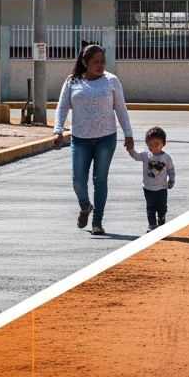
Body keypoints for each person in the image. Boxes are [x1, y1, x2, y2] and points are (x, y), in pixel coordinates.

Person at [52, 44, 133, 235]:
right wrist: (58, 131)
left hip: (106, 139)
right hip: (80, 139)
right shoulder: (72, 81)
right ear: (85, 62)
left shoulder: (111, 81)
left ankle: (97, 222)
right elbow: (62, 107)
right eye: (96, 62)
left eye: (103, 61)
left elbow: (121, 108)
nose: (100, 65)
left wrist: (128, 134)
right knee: (78, 180)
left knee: (100, 179)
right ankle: (85, 206)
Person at [127, 126, 175, 232]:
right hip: (148, 187)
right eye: (151, 144)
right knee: (150, 207)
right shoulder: (145, 155)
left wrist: (171, 180)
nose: (154, 147)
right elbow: (136, 156)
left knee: (162, 207)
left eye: (157, 144)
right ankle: (152, 225)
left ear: (163, 144)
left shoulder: (166, 158)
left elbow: (171, 170)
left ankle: (161, 216)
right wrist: (130, 149)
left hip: (162, 188)